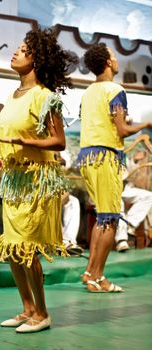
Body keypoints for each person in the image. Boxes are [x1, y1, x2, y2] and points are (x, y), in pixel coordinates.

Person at [0, 27, 75, 333]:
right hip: (14, 177)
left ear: (37, 59)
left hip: (37, 179)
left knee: (27, 247)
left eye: (24, 49)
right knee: (12, 247)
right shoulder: (13, 94)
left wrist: (21, 140)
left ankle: (43, 313)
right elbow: (14, 137)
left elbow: (59, 141)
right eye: (17, 47)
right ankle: (27, 308)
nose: (16, 51)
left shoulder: (45, 97)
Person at [77, 43, 152, 292]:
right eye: (113, 55)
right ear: (108, 62)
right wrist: (145, 125)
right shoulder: (115, 90)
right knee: (110, 219)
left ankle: (90, 273)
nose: (116, 59)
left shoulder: (89, 92)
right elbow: (122, 130)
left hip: (87, 158)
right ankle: (98, 277)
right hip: (105, 157)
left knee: (103, 218)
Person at [115, 150, 152, 251]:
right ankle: (121, 240)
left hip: (124, 189)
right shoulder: (98, 152)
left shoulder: (120, 154)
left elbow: (129, 174)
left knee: (149, 196)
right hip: (108, 191)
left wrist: (134, 160)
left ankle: (130, 224)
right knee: (118, 203)